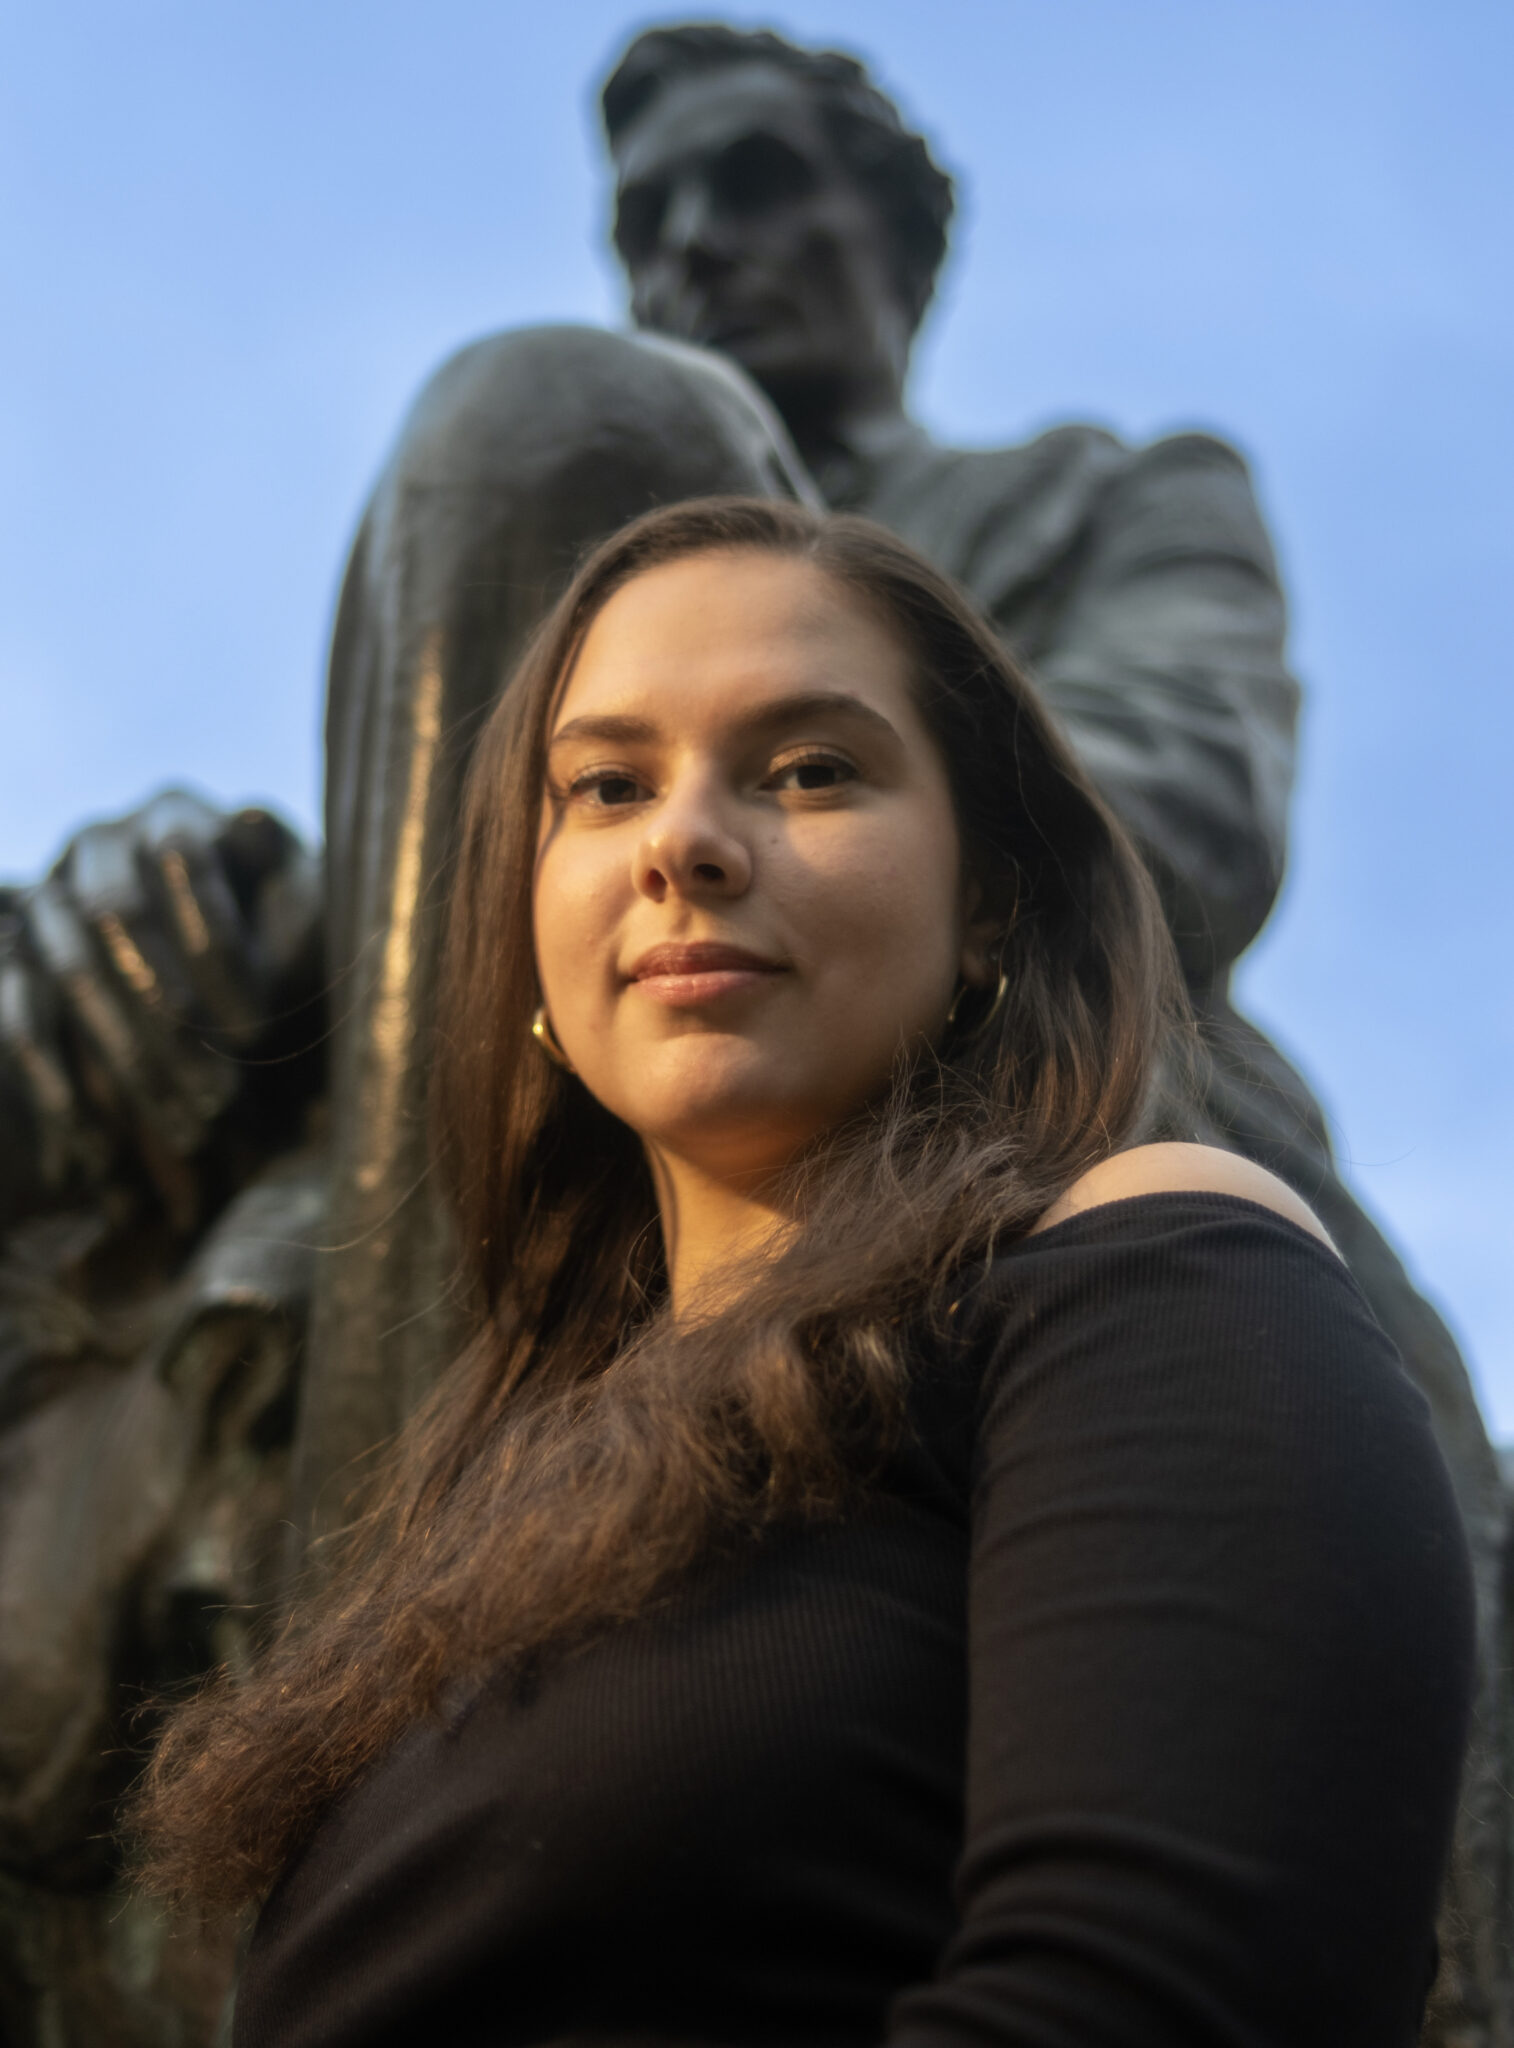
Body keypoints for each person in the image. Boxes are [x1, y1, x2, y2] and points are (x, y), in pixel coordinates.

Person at [133, 498, 1473, 2047]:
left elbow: (1163, 1996)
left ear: (987, 906)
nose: (683, 845)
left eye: (809, 771)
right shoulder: (490, 1503)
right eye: (608, 785)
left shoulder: (1139, 1262)